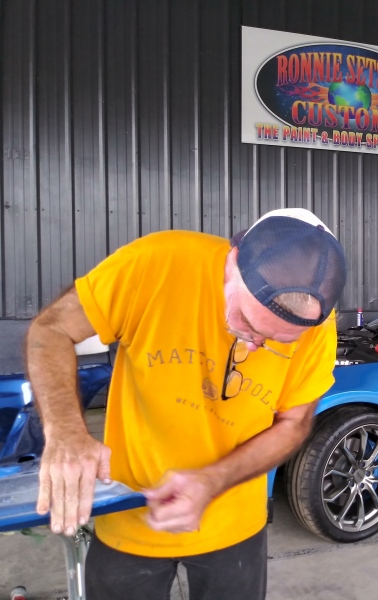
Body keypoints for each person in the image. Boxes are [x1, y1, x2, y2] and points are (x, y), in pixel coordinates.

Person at [24, 208, 347, 598]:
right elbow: (51, 329)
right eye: (246, 321)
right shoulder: (157, 263)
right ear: (231, 263)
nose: (253, 346)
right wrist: (65, 432)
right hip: (128, 511)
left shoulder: (317, 324)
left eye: (277, 341)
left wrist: (214, 480)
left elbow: (294, 423)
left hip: (235, 521)